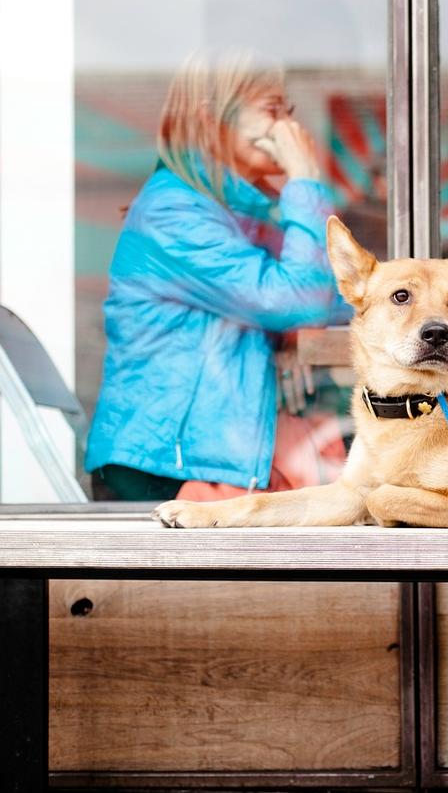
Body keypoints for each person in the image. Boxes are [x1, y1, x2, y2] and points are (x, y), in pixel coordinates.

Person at [85, 50, 351, 501]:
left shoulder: (241, 212)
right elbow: (295, 302)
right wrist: (305, 179)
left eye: (289, 113)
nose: (288, 128)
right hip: (162, 471)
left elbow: (327, 300)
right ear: (212, 121)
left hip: (206, 463)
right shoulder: (175, 212)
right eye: (271, 110)